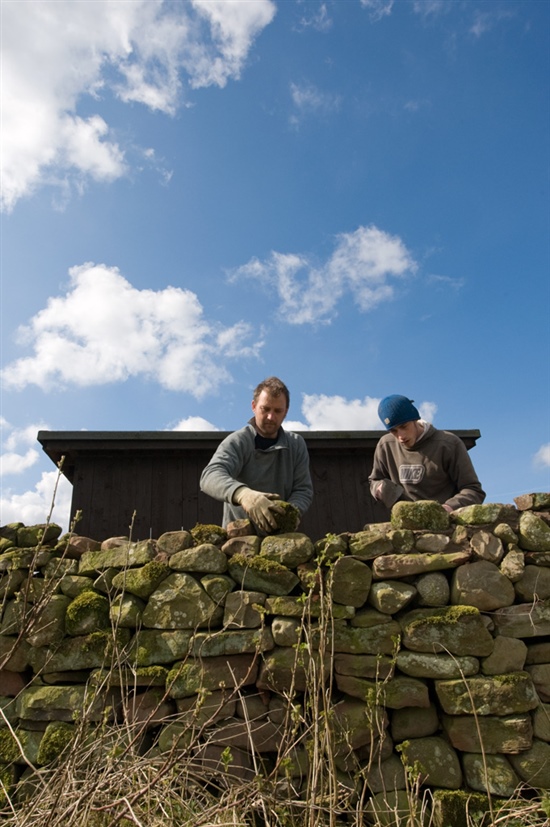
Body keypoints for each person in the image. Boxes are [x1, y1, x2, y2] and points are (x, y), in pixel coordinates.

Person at [200, 376, 313, 532]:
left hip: (281, 540)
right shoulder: (238, 441)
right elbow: (210, 476)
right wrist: (243, 495)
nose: (270, 417)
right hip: (238, 540)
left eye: (277, 411)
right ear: (254, 406)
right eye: (265, 409)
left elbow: (303, 490)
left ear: (286, 412)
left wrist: (289, 514)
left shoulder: (296, 444)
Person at [369, 394, 485, 513]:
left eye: (404, 426)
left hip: (447, 524)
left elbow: (473, 490)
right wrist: (379, 488)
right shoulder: (385, 445)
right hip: (406, 525)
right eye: (393, 430)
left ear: (415, 419)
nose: (401, 436)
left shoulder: (449, 444)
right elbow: (374, 480)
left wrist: (447, 509)